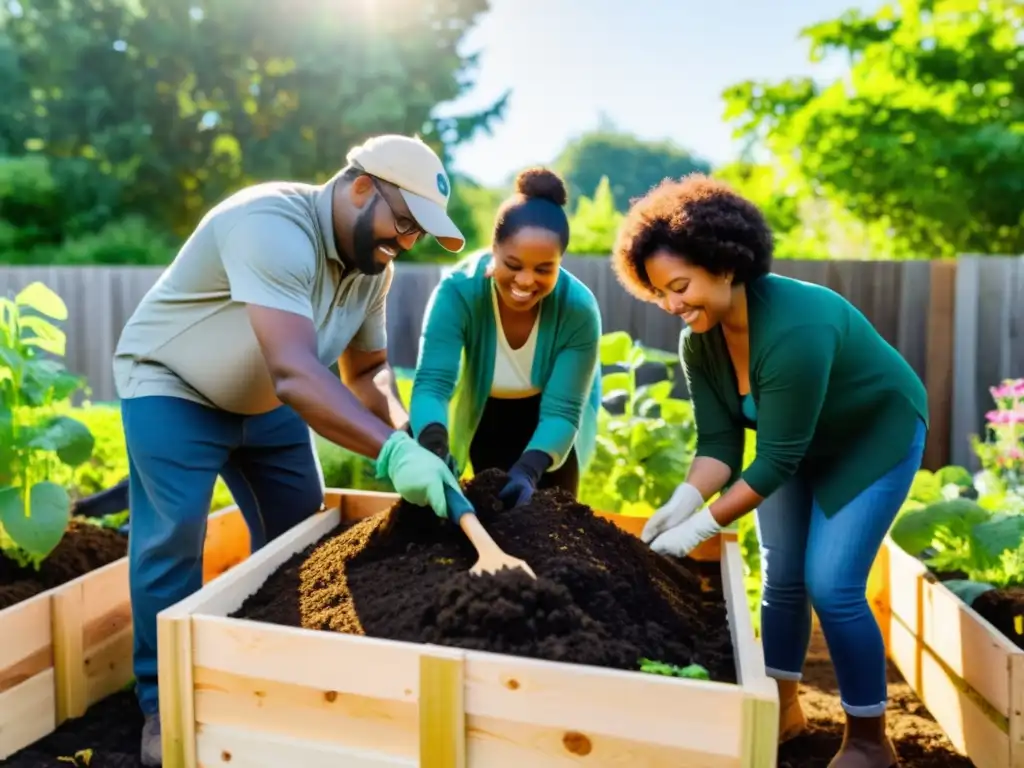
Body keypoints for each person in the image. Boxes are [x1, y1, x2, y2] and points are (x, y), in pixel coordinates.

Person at [112, 134, 468, 766]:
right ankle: (162, 702)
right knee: (174, 537)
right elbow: (296, 373)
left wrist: (409, 433)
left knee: (300, 534)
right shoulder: (270, 224)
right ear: (362, 187)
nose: (405, 243)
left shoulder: (370, 272)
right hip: (172, 387)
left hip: (266, 407)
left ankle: (271, 671)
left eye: (417, 235)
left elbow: (370, 372)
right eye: (403, 222)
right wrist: (390, 454)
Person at [610, 173, 928, 768]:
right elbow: (719, 447)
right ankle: (783, 710)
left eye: (680, 286)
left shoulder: (795, 329)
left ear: (725, 266)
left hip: (870, 438)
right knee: (782, 576)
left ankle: (868, 741)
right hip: (795, 445)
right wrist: (683, 500)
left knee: (832, 585)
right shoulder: (699, 341)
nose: (674, 306)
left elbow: (775, 460)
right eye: (660, 295)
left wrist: (701, 529)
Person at [409, 168, 601, 507]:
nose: (526, 281)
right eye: (513, 264)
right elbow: (433, 384)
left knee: (557, 525)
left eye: (544, 269)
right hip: (489, 416)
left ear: (560, 262)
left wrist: (528, 470)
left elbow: (563, 411)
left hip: (550, 430)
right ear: (493, 250)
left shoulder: (579, 309)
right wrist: (435, 445)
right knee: (492, 514)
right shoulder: (458, 292)